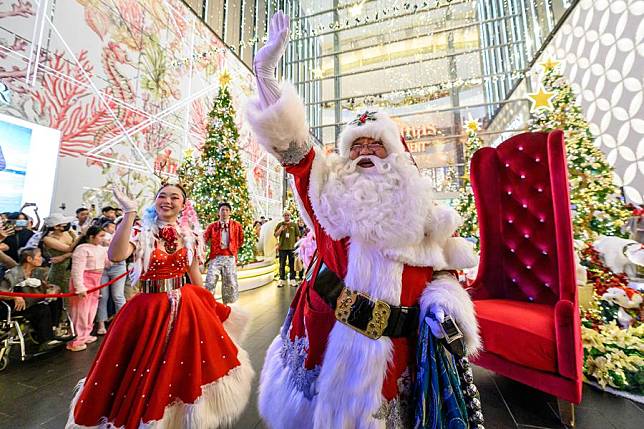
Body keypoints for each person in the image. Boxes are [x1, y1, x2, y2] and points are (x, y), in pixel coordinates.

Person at [246, 12, 481, 428]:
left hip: (395, 354)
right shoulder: (326, 193)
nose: (367, 151)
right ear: (345, 156)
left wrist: (444, 304)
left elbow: (445, 275)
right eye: (357, 145)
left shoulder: (427, 215)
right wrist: (265, 72)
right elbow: (292, 143)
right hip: (324, 338)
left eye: (378, 144)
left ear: (399, 158)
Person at [66, 184, 254, 428]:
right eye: (162, 196)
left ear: (183, 205)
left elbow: (193, 272)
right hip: (148, 310)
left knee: (180, 367)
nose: (168, 201)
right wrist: (129, 213)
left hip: (186, 307)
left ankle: (175, 419)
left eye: (174, 197)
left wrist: (208, 304)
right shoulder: (141, 230)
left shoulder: (189, 234)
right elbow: (116, 255)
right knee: (143, 368)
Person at [0, 247, 64, 351]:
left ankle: (54, 329)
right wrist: (14, 296)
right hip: (18, 306)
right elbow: (2, 292)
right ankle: (45, 341)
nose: (41, 259)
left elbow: (47, 286)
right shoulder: (13, 273)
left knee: (56, 299)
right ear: (29, 259)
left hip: (33, 302)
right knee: (42, 308)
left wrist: (54, 289)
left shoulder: (38, 272)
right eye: (39, 256)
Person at [66, 226, 110, 352]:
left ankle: (85, 334)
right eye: (100, 236)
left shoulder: (101, 249)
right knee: (80, 311)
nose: (103, 238)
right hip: (84, 280)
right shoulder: (81, 249)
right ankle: (77, 338)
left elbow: (108, 263)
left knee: (91, 310)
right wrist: (80, 286)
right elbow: (77, 270)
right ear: (91, 237)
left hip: (96, 280)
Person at [41, 213, 78, 328]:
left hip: (73, 267)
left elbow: (78, 247)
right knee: (62, 298)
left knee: (72, 297)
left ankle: (70, 322)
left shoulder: (68, 232)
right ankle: (60, 324)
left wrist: (64, 256)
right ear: (56, 226)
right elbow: (70, 248)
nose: (66, 225)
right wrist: (68, 254)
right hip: (60, 271)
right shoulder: (48, 239)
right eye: (63, 223)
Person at [203, 202, 245, 304]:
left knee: (230, 283)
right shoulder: (212, 226)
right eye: (222, 210)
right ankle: (207, 305)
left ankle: (229, 306)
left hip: (229, 257)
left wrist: (233, 249)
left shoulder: (236, 225)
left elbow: (241, 239)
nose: (224, 212)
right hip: (215, 257)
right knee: (210, 281)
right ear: (219, 212)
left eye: (227, 210)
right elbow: (204, 238)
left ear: (230, 212)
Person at [96, 218, 126, 335]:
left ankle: (123, 323)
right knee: (102, 297)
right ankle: (101, 324)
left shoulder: (126, 237)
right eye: (114, 226)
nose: (115, 228)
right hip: (101, 268)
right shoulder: (103, 236)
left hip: (118, 267)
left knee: (118, 296)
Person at [274, 211, 300, 287]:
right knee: (282, 264)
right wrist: (280, 229)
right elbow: (275, 235)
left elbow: (297, 236)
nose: (286, 216)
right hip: (282, 248)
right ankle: (281, 279)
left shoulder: (294, 225)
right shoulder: (280, 224)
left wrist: (298, 247)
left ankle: (293, 279)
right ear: (283, 216)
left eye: (288, 215)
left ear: (290, 216)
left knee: (292, 264)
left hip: (292, 248)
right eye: (285, 215)